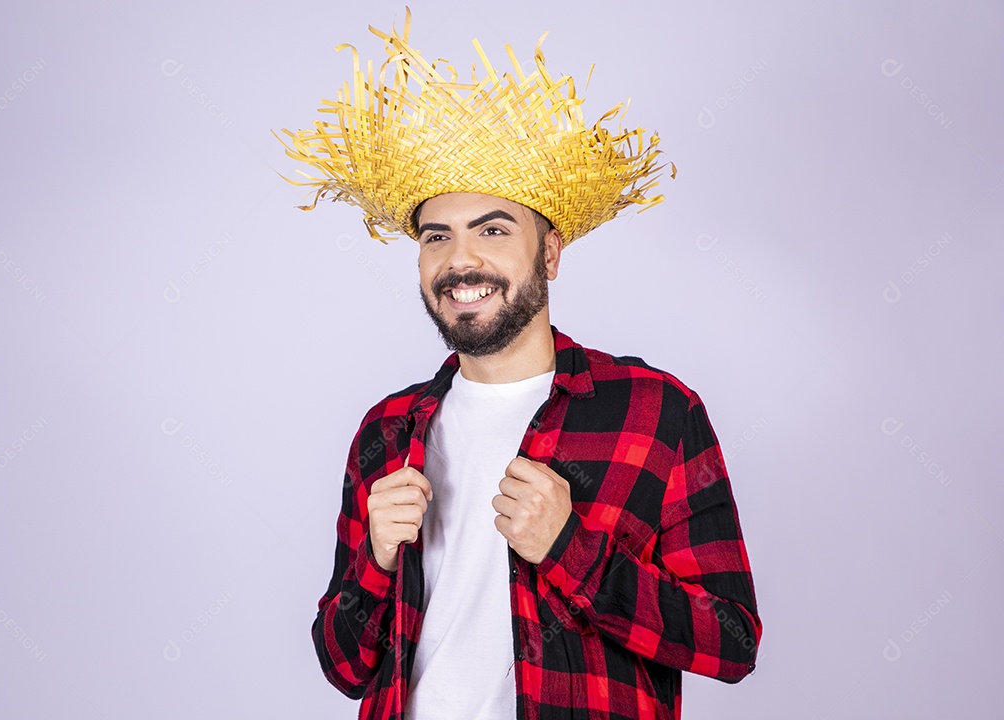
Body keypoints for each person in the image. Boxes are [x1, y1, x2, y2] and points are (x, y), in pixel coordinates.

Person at [277, 11, 762, 720]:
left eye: (494, 229)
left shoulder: (657, 413)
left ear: (551, 254)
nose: (460, 261)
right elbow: (345, 667)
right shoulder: (385, 432)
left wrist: (572, 549)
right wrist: (376, 563)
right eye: (437, 236)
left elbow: (732, 641)